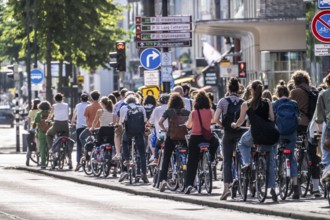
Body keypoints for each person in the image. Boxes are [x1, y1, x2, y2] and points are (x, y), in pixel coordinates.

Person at [231, 80, 278, 202]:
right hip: (268, 134)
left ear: (251, 90)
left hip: (254, 133)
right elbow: (272, 118)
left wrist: (234, 125)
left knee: (242, 143)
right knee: (270, 161)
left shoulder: (246, 104)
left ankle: (246, 163)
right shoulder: (268, 102)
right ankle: (272, 188)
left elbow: (241, 121)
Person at [290, 70, 320, 198]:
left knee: (292, 148)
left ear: (295, 81)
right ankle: (315, 187)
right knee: (314, 155)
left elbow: (289, 107)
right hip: (312, 126)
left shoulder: (295, 92)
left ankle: (294, 180)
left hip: (300, 124)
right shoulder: (314, 91)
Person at [214, 78, 245, 200]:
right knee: (241, 158)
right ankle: (243, 182)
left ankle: (226, 188)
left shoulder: (223, 101)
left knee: (227, 161)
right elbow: (245, 119)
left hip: (228, 133)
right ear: (238, 89)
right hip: (240, 133)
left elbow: (215, 118)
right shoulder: (243, 102)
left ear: (228, 88)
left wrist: (222, 125)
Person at [158, 93, 190, 192]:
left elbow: (160, 122)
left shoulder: (169, 111)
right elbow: (190, 124)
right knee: (187, 156)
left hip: (171, 137)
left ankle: (162, 180)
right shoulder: (186, 112)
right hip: (183, 138)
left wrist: (165, 129)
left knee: (166, 158)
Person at [273, 80, 300, 199]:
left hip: (279, 133)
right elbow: (298, 118)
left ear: (278, 93)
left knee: (276, 154)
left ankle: (278, 175)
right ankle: (295, 188)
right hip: (292, 133)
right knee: (291, 157)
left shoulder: (275, 104)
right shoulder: (293, 103)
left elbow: (272, 118)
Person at [184, 91, 215, 194]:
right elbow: (213, 121)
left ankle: (188, 185)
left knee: (192, 162)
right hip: (207, 138)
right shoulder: (211, 111)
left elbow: (188, 125)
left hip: (195, 138)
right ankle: (212, 158)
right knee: (215, 142)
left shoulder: (194, 112)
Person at [118, 94, 149, 183]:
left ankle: (127, 160)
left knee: (124, 142)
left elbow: (122, 122)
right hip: (139, 132)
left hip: (129, 132)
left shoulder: (124, 108)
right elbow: (144, 120)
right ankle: (144, 173)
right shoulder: (141, 107)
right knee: (142, 153)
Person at [46, 93, 71, 169]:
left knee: (48, 134)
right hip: (65, 125)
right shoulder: (66, 105)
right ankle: (70, 160)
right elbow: (67, 114)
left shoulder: (54, 106)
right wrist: (68, 120)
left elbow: (50, 115)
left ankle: (52, 149)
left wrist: (48, 120)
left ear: (55, 99)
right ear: (62, 99)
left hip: (56, 124)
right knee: (67, 140)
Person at [315, 74, 330, 184]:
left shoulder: (323, 94)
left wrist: (320, 134)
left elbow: (319, 117)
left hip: (329, 125)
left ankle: (326, 168)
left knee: (325, 147)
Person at [148, 94, 170, 165]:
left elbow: (151, 121)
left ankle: (155, 158)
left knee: (157, 145)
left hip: (160, 134)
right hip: (171, 134)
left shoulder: (157, 109)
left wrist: (150, 125)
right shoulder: (172, 109)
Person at [71, 93, 89, 171]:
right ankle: (89, 161)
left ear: (81, 99)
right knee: (89, 144)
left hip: (79, 127)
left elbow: (74, 115)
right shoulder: (89, 105)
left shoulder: (78, 105)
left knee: (79, 145)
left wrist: (72, 122)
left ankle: (78, 163)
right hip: (88, 127)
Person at [33, 101, 51, 169]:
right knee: (51, 145)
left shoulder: (38, 114)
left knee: (42, 148)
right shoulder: (50, 113)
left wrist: (33, 127)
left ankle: (43, 163)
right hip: (50, 133)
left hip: (42, 133)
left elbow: (36, 122)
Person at [112, 88, 128, 160]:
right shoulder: (135, 102)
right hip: (133, 126)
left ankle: (118, 153)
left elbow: (115, 115)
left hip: (122, 124)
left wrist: (115, 124)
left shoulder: (118, 104)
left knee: (117, 135)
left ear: (121, 95)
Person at [26, 98, 41, 166]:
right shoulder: (40, 111)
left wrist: (29, 129)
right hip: (39, 129)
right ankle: (38, 161)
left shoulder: (31, 111)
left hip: (32, 129)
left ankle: (27, 159)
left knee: (30, 145)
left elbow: (29, 122)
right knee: (38, 144)